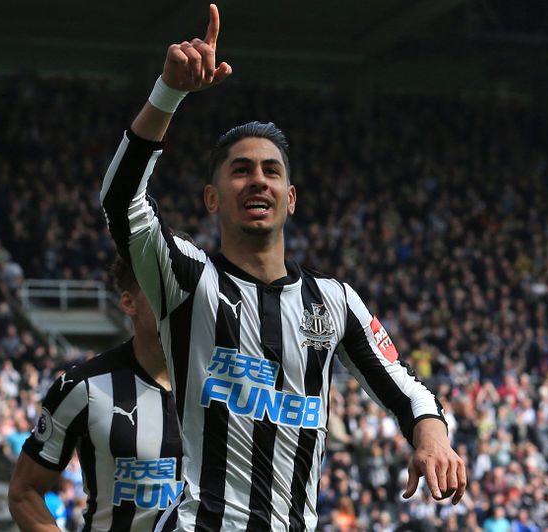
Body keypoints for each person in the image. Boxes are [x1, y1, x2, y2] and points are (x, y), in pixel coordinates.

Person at [99, 4, 466, 530]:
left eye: (272, 172)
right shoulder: (185, 278)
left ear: (290, 198)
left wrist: (432, 437)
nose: (258, 181)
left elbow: (407, 389)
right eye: (240, 171)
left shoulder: (334, 302)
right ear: (212, 197)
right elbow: (121, 200)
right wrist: (168, 93)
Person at [8, 256, 182, 531]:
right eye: (163, 287)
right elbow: (24, 491)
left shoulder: (228, 384)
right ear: (129, 303)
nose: (178, 298)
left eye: (186, 286)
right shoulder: (84, 387)